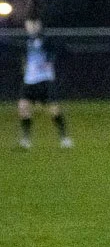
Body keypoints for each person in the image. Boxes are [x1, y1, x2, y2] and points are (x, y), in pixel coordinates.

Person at [18, 18, 72, 150]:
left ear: (38, 26)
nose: (30, 27)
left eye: (33, 25)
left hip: (45, 80)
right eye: (28, 25)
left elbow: (59, 50)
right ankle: (26, 140)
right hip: (29, 81)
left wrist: (49, 59)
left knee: (54, 110)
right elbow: (25, 57)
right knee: (23, 107)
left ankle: (64, 138)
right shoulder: (27, 41)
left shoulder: (46, 40)